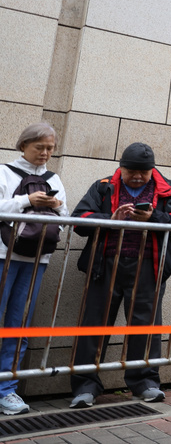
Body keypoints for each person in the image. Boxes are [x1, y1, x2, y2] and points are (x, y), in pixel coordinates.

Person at [69, 143, 171, 408]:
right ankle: (85, 387)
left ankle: (145, 382)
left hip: (148, 266)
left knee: (145, 327)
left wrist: (154, 217)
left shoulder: (167, 188)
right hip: (105, 264)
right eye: (131, 171)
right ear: (121, 168)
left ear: (152, 170)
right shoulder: (103, 186)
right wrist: (110, 218)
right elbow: (78, 220)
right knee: (94, 325)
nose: (137, 176)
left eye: (143, 172)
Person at [0, 122, 67, 415]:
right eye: (39, 147)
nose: (45, 153)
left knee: (19, 323)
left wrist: (55, 205)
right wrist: (26, 200)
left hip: (38, 258)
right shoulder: (4, 171)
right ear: (23, 145)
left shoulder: (54, 178)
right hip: (4, 255)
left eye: (50, 148)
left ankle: (6, 390)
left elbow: (66, 217)